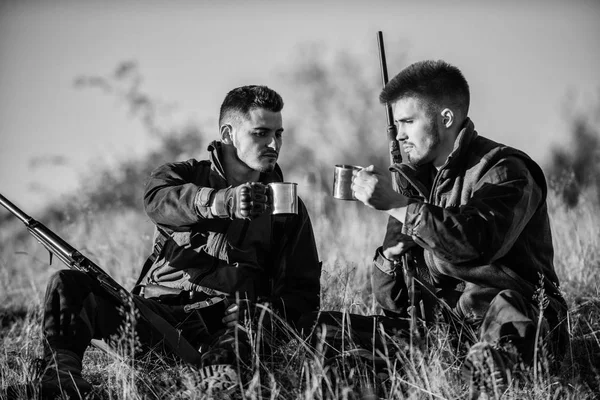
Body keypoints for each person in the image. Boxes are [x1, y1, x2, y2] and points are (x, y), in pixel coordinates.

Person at [39, 85, 322, 398]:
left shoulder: (286, 207)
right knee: (68, 283)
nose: (273, 143)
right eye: (261, 133)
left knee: (229, 368)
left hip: (226, 330)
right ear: (228, 134)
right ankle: (61, 378)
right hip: (154, 318)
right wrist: (218, 202)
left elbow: (304, 294)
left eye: (278, 133)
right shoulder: (182, 176)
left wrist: (264, 313)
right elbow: (156, 201)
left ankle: (209, 381)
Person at [345, 60, 568, 397]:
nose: (400, 133)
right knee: (328, 331)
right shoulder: (417, 183)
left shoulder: (504, 169)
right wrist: (390, 256)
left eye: (408, 121)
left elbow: (477, 245)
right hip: (445, 329)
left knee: (508, 309)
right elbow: (395, 304)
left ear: (446, 119)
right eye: (397, 125)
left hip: (511, 319)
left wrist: (400, 207)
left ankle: (488, 376)